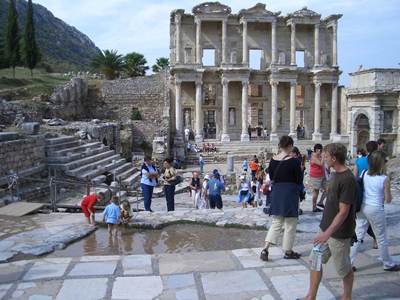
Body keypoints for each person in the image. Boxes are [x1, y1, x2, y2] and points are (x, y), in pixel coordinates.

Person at [298, 143, 357, 300]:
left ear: (334, 158)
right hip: (326, 229)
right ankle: (311, 296)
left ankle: (347, 297)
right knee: (314, 261)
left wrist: (327, 234)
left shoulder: (348, 179)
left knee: (343, 269)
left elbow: (344, 212)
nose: (323, 158)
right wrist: (324, 232)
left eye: (326, 156)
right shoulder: (334, 174)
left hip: (339, 233)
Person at [350, 151, 400, 272]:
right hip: (376, 209)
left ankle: (349, 262)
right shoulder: (384, 179)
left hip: (363, 207)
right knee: (381, 238)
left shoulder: (365, 173)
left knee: (358, 235)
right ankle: (387, 263)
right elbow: (388, 200)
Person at [260, 136, 302, 262]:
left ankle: (265, 249)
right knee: (290, 223)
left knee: (276, 222)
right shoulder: (294, 161)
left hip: (277, 192)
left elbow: (272, 176)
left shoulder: (273, 160)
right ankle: (288, 251)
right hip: (289, 192)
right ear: (290, 146)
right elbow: (298, 179)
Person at [353, 140, 379, 249]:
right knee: (375, 223)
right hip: (374, 196)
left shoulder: (359, 161)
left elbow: (354, 177)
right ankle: (376, 241)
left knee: (360, 223)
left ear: (366, 149)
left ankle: (356, 243)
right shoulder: (378, 162)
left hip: (361, 196)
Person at [309, 144, 324, 212]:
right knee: (316, 192)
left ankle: (320, 202)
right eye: (319, 150)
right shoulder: (314, 156)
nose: (320, 151)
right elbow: (321, 164)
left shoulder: (318, 156)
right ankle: (314, 207)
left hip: (321, 175)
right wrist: (323, 157)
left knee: (328, 189)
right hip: (315, 176)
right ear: (316, 150)